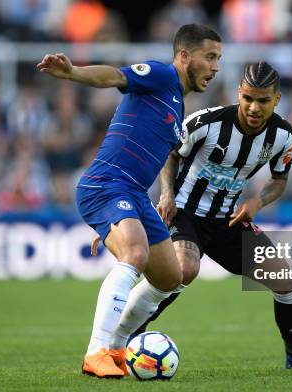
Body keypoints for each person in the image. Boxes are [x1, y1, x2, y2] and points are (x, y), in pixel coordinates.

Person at [103, 62, 292, 370]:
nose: (253, 107)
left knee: (286, 281)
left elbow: (279, 180)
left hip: (229, 219)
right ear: (239, 93)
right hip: (185, 213)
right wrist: (167, 194)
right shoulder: (205, 123)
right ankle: (120, 337)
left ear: (276, 99)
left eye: (263, 100)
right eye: (248, 98)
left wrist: (258, 202)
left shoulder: (283, 135)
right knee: (184, 269)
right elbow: (170, 154)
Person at [36, 24, 222, 378]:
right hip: (106, 185)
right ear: (184, 56)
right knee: (134, 254)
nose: (215, 67)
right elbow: (114, 77)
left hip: (133, 196)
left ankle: (119, 347)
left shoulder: (176, 105)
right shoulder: (161, 75)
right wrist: (73, 72)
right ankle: (97, 351)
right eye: (210, 57)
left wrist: (114, 223)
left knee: (171, 277)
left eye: (219, 59)